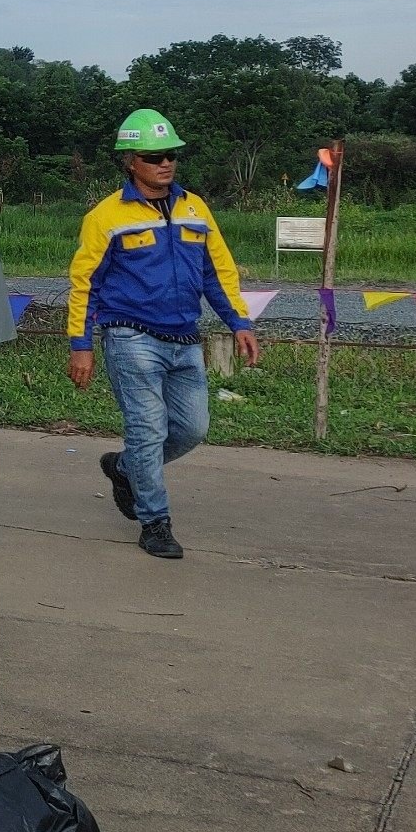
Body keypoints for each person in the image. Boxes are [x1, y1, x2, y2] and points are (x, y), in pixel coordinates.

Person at [65, 109, 260, 561]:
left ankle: (125, 468)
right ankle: (154, 522)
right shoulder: (105, 217)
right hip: (130, 337)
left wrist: (240, 322)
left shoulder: (196, 209)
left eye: (170, 155)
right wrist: (81, 346)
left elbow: (217, 271)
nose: (165, 164)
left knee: (192, 429)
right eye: (154, 157)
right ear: (131, 161)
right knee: (148, 430)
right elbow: (84, 283)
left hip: (185, 338)